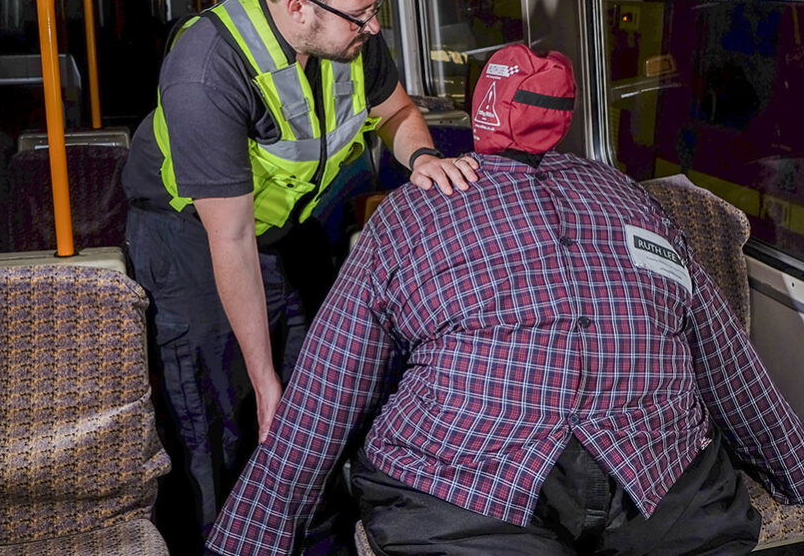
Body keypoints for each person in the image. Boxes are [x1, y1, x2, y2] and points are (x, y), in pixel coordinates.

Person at [206, 44, 804, 556]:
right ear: (562, 119)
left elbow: (331, 386)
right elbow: (727, 361)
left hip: (469, 483)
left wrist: (255, 536)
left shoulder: (417, 207)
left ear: (477, 113)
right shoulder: (629, 195)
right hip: (657, 478)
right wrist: (794, 471)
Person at [121, 0, 479, 550]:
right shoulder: (210, 67)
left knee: (318, 405)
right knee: (224, 417)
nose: (375, 26)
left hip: (290, 230)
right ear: (296, 6)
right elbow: (228, 239)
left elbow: (395, 109)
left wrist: (423, 158)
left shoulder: (348, 33)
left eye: (377, 9)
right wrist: (265, 383)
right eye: (361, 15)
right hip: (196, 242)